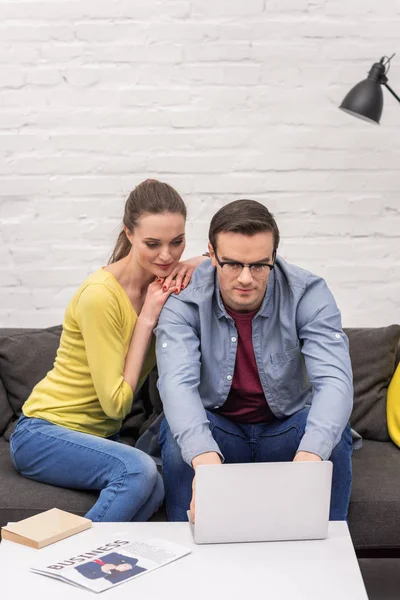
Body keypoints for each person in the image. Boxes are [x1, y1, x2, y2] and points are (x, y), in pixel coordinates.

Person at [9, 179, 205, 522]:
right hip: (43, 433)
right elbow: (115, 406)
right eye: (152, 243)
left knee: (158, 486)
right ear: (128, 234)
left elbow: (238, 260)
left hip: (97, 437)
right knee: (139, 471)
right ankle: (73, 561)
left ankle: (109, 563)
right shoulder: (101, 296)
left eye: (177, 242)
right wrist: (146, 320)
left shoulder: (163, 283)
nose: (167, 255)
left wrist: (202, 260)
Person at [155, 199, 354, 523]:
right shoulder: (185, 300)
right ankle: (189, 548)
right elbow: (177, 384)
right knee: (181, 439)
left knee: (332, 433)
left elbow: (335, 381)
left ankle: (324, 546)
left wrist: (310, 457)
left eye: (259, 265)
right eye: (233, 264)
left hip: (285, 430)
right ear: (212, 255)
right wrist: (205, 464)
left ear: (274, 256)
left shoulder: (308, 292)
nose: (246, 278)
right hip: (220, 431)